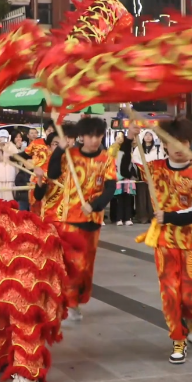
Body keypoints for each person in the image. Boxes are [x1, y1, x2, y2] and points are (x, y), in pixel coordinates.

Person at [128, 118, 192, 363]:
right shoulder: (155, 168)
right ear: (164, 144)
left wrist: (170, 216)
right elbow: (129, 166)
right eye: (172, 142)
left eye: (183, 142)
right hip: (164, 242)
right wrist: (131, 139)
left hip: (190, 241)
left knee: (189, 295)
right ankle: (178, 338)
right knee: (170, 292)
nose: (178, 147)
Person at [44, 117, 117, 322]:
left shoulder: (107, 159)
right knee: (73, 263)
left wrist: (95, 205)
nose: (93, 140)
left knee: (86, 265)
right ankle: (70, 304)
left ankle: (78, 298)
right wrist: (59, 150)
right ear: (82, 137)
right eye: (89, 136)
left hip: (92, 218)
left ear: (102, 136)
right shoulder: (70, 154)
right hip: (70, 217)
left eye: (97, 136)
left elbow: (110, 187)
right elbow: (53, 173)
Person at [132, 129, 166, 223]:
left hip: (154, 176)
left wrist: (152, 166)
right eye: (146, 135)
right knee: (142, 195)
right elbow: (135, 159)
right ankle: (142, 216)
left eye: (150, 135)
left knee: (153, 196)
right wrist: (143, 166)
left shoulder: (158, 149)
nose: (148, 137)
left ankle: (153, 216)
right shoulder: (138, 149)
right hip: (141, 174)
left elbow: (161, 159)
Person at [0, 129, 19, 201]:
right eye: (1, 138)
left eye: (5, 137)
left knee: (10, 199)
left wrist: (7, 146)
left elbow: (15, 156)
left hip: (10, 177)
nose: (3, 139)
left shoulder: (11, 145)